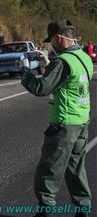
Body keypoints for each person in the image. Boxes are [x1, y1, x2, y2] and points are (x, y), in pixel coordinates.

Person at [21, 20, 92, 217]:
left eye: (52, 40)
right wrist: (48, 65)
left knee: (48, 170)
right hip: (81, 122)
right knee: (76, 169)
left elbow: (41, 88)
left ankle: (45, 212)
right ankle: (83, 210)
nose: (51, 45)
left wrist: (25, 72)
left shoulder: (62, 62)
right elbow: (67, 83)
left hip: (64, 125)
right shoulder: (83, 57)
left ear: (59, 38)